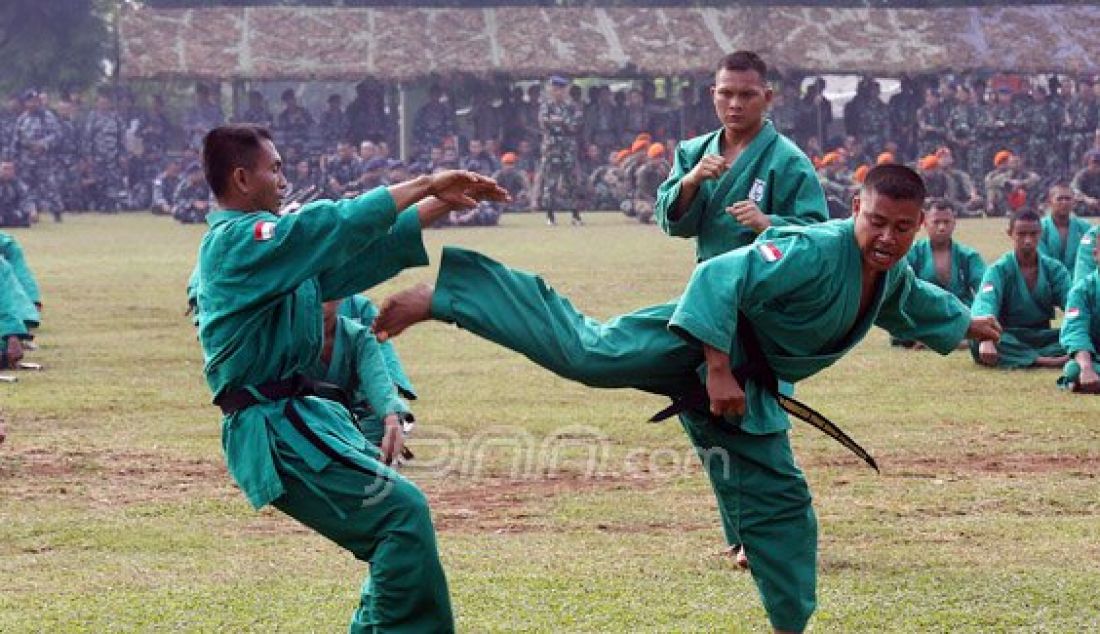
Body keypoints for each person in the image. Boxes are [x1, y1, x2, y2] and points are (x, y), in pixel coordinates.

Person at [371, 165, 1001, 634]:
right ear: (854, 208)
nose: (886, 237)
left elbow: (918, 302)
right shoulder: (814, 248)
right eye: (875, 221)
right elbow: (717, 275)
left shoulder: (888, 274)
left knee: (784, 503)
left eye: (900, 227)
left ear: (919, 226)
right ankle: (448, 296)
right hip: (695, 342)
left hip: (745, 389)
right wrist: (718, 367)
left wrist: (968, 324)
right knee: (587, 353)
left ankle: (791, 626)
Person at [194, 124, 507, 633]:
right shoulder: (236, 244)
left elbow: (353, 255)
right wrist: (426, 183)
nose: (282, 178)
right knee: (399, 516)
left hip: (301, 420)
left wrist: (440, 205)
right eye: (273, 168)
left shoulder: (272, 257)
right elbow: (330, 225)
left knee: (396, 520)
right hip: (273, 431)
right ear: (241, 178)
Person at [655, 51, 827, 262]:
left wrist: (767, 224)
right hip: (710, 279)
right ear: (713, 95)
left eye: (747, 95)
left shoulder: (790, 161)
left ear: (767, 97)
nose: (735, 104)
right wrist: (690, 182)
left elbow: (817, 235)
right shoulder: (692, 153)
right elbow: (670, 221)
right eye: (726, 93)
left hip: (767, 285)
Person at [971, 210, 1071, 369]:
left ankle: (1028, 357)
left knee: (1084, 335)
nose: (1028, 240)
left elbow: (1073, 304)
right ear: (1010, 233)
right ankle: (1046, 360)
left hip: (1043, 335)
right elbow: (985, 304)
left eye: (1033, 234)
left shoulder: (1054, 269)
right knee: (977, 343)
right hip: (1008, 335)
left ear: (1041, 233)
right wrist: (986, 339)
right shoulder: (998, 269)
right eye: (1022, 234)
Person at [895, 198, 985, 347]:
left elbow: (983, 290)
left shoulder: (969, 256)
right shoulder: (913, 253)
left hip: (959, 313)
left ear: (954, 223)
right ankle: (954, 340)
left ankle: (937, 340)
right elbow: (900, 289)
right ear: (924, 223)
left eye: (946, 222)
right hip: (925, 314)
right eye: (936, 222)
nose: (942, 227)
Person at [537, 76, 584, 226]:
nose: (556, 92)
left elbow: (575, 125)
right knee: (550, 180)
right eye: (554, 89)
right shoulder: (546, 106)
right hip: (551, 147)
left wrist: (560, 122)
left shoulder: (573, 106)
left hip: (568, 147)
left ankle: (575, 215)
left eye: (559, 89)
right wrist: (561, 123)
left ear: (565, 90)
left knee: (571, 181)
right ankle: (550, 215)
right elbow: (544, 123)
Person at [1058, 236, 1100, 392]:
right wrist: (1087, 368)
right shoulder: (1082, 290)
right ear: (1096, 255)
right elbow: (1076, 330)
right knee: (1074, 369)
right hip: (1097, 358)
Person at [1038, 182, 1094, 272]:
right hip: (1048, 278)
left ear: (1074, 202)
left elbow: (1088, 255)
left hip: (1078, 278)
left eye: (1068, 199)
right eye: (1059, 199)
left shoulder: (1085, 228)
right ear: (1050, 202)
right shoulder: (1039, 227)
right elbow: (1041, 258)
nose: (1064, 202)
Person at [0, 160, 34, 227]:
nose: (7, 172)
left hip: (12, 211)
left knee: (24, 219)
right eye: (5, 168)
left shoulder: (18, 184)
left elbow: (26, 198)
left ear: (13, 171)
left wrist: (32, 210)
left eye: (10, 169)